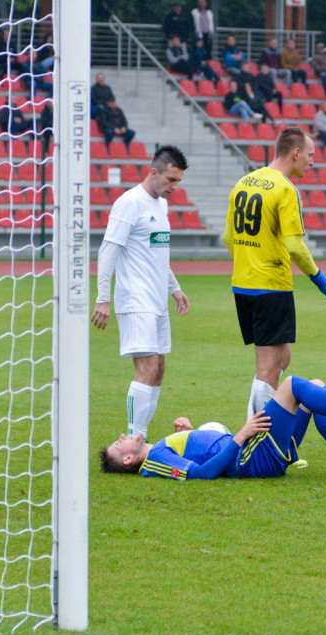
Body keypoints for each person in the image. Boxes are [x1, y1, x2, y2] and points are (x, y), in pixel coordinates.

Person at [224, 127, 326, 418]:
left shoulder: (244, 181)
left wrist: (250, 260)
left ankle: (264, 427)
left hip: (244, 284)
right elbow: (294, 245)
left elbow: (228, 239)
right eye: (310, 154)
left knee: (282, 358)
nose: (312, 161)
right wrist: (322, 281)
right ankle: (253, 445)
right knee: (267, 368)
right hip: (270, 286)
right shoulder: (285, 188)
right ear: (295, 153)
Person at [99, 375, 326, 480]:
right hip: (250, 457)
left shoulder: (158, 452)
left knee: (314, 388)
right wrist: (241, 435)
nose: (121, 436)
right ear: (128, 460)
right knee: (292, 386)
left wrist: (187, 432)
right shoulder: (155, 462)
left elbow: (200, 455)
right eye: (118, 445)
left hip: (251, 449)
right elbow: (201, 475)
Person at [92, 146, 191, 438]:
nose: (175, 187)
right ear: (153, 173)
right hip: (135, 299)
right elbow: (108, 251)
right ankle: (135, 440)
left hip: (157, 300)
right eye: (171, 180)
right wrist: (102, 298)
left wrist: (175, 288)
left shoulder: (161, 204)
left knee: (159, 367)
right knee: (147, 367)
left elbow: (156, 252)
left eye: (179, 182)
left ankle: (141, 435)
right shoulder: (129, 203)